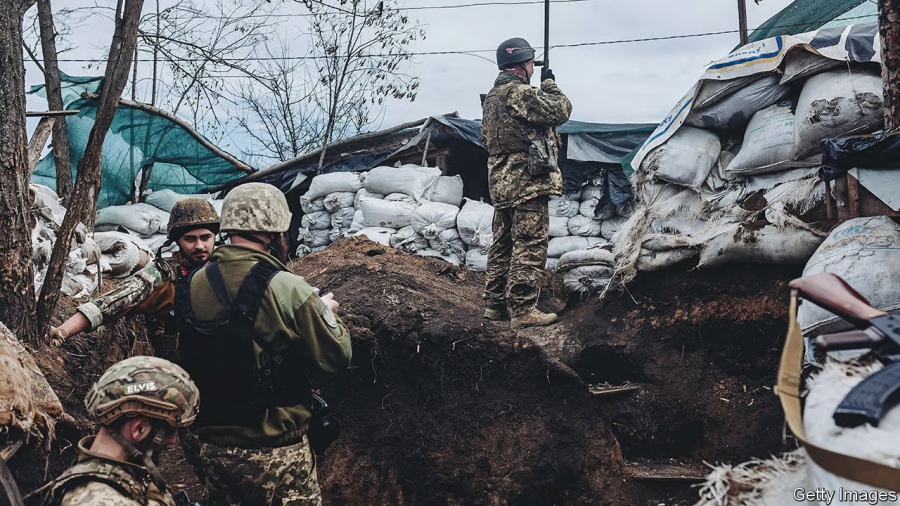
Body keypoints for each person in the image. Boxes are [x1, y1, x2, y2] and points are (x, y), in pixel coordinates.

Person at [174, 182, 352, 506]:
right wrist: (327, 313)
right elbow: (336, 357)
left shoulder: (191, 284)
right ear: (273, 233)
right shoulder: (287, 286)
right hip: (276, 452)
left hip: (212, 450)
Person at [51, 198, 219, 359]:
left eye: (205, 238)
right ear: (177, 240)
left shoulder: (226, 268)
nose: (199, 246)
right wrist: (63, 332)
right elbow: (112, 303)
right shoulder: (163, 275)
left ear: (215, 237)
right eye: (190, 239)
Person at [481, 37, 572, 329]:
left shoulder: (493, 96)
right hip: (526, 180)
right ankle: (522, 310)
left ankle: (494, 306)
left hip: (501, 180)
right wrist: (551, 85)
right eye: (532, 63)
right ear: (522, 65)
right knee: (530, 242)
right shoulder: (518, 93)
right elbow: (560, 111)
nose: (533, 68)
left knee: (503, 242)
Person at [45, 356, 200, 506]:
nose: (173, 440)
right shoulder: (98, 500)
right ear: (139, 428)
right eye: (168, 431)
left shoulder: (121, 476)